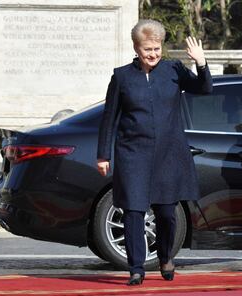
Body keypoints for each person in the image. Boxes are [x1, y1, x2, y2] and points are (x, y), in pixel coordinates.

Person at [96, 19, 213, 285]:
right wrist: (103, 155)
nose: (153, 54)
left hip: (168, 155)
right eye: (148, 49)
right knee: (133, 211)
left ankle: (165, 256)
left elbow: (204, 89)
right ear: (136, 48)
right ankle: (136, 267)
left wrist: (201, 62)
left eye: (157, 48)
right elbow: (109, 118)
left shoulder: (173, 70)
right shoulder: (122, 76)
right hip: (132, 153)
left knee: (166, 213)